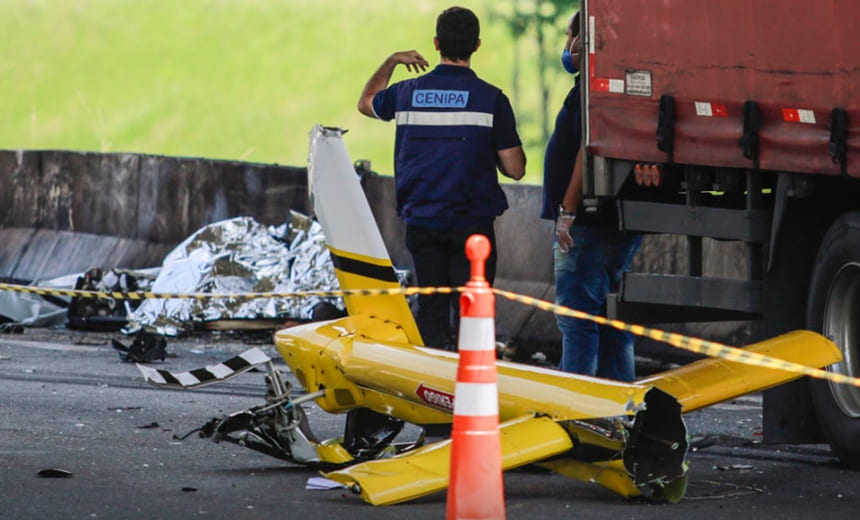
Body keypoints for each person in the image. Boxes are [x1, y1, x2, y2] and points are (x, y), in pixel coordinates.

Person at [358, 6, 526, 350]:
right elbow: (516, 169)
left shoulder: (406, 93)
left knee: (431, 314)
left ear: (436, 43)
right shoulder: (491, 99)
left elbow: (366, 103)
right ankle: (469, 393)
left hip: (422, 222)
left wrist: (391, 61)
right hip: (472, 227)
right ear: (477, 45)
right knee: (473, 315)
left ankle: (431, 391)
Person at [542, 12, 642, 382]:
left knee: (577, 319)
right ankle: (619, 409)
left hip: (586, 224)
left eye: (569, 37)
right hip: (611, 220)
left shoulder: (591, 93)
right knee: (610, 318)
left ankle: (579, 410)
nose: (565, 47)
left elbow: (588, 151)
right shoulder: (610, 88)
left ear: (583, 40)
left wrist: (567, 211)